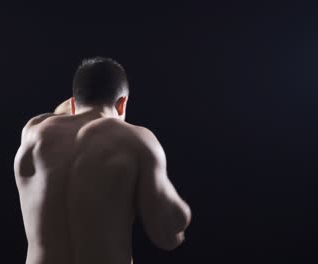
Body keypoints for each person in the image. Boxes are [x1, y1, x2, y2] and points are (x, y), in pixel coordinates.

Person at [14, 57, 191, 264]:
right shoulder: (137, 140)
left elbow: (59, 112)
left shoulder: (33, 133)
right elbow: (167, 237)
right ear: (122, 103)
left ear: (73, 102)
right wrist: (183, 215)